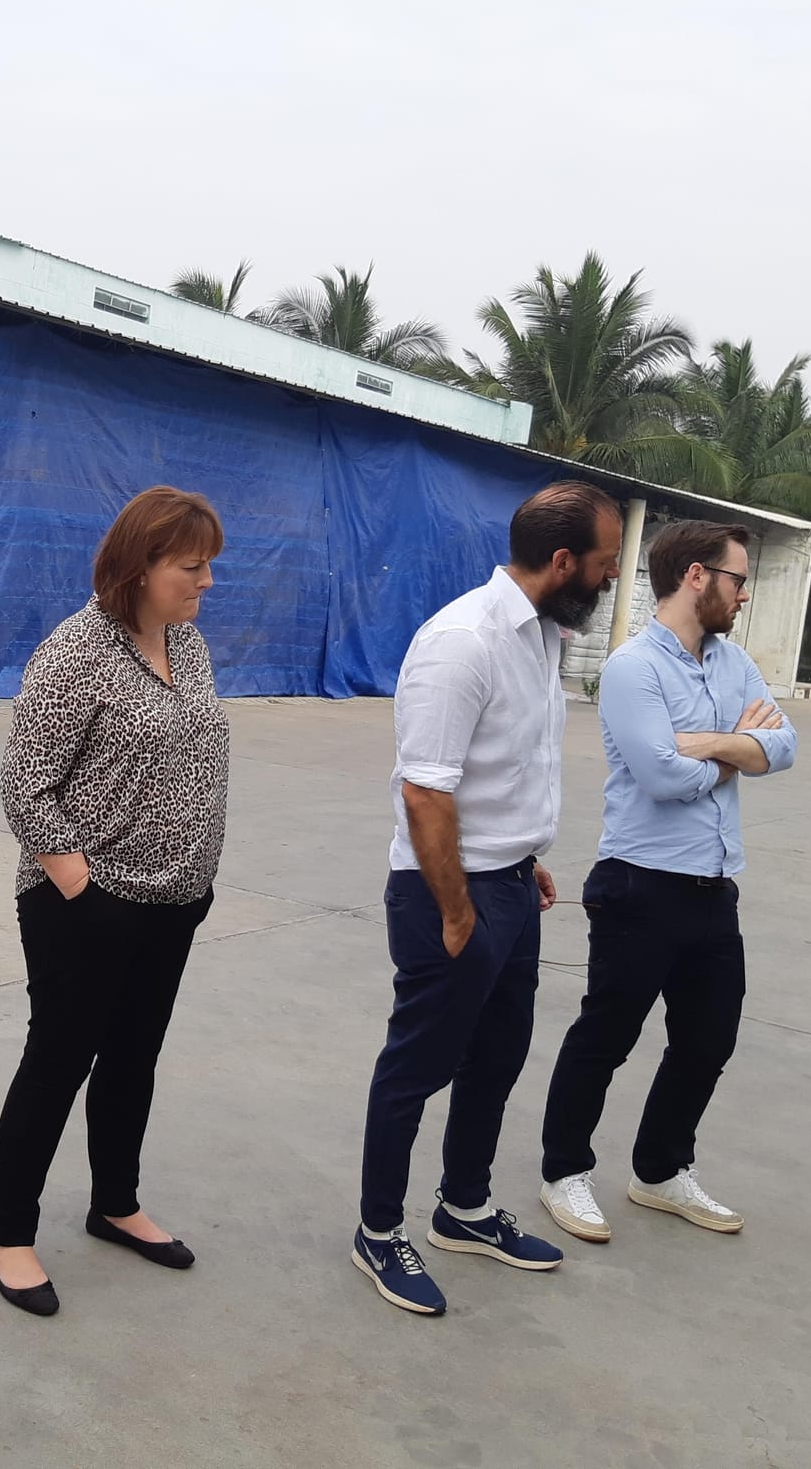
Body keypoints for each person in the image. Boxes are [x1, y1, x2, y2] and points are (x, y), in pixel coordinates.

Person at [353, 480, 623, 1318]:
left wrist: (518, 858)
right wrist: (457, 908)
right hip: (447, 893)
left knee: (497, 1056)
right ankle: (377, 1230)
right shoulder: (462, 641)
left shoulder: (543, 636)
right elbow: (425, 790)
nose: (614, 575)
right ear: (563, 560)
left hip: (507, 884)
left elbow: (507, 767)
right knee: (417, 1067)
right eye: (608, 560)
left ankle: (463, 1208)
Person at [0, 486, 229, 1317]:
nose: (206, 582)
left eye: (208, 567)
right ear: (139, 567)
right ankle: (10, 1236)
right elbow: (26, 786)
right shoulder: (76, 652)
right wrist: (80, 889)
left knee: (134, 1058)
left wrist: (193, 879)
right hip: (89, 906)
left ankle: (115, 1203)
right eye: (191, 567)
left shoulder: (187, 642)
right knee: (59, 1062)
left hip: (175, 900)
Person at [537, 520, 796, 1244]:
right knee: (607, 1036)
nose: (745, 594)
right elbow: (658, 775)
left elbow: (784, 746)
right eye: (738, 579)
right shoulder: (634, 668)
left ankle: (659, 1170)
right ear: (695, 576)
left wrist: (708, 745)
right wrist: (736, 754)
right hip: (639, 886)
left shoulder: (734, 663)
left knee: (708, 1041)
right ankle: (564, 1172)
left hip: (714, 888)